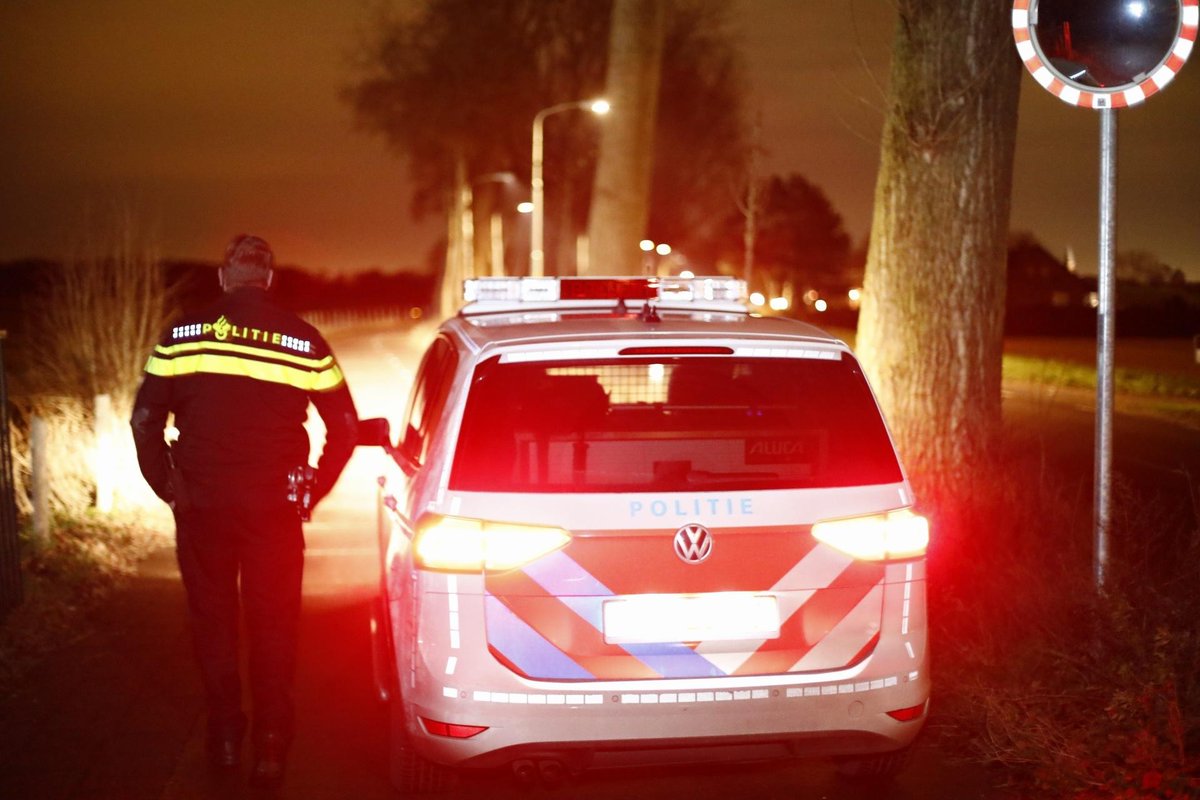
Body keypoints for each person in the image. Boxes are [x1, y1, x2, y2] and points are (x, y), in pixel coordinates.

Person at [130, 234, 358, 787]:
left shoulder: (181, 334)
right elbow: (346, 428)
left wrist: (168, 485)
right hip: (274, 508)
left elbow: (143, 420)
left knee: (213, 623)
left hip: (202, 504)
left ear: (223, 277)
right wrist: (313, 490)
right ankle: (272, 744)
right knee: (273, 624)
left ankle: (226, 737)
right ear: (270, 280)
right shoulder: (304, 340)